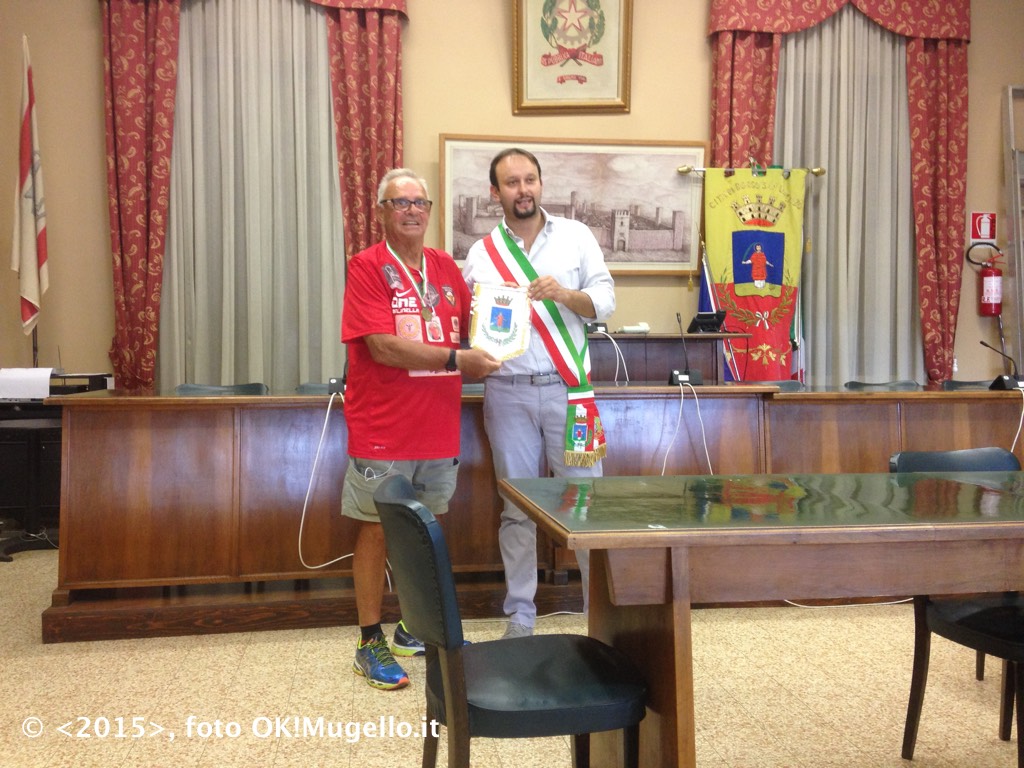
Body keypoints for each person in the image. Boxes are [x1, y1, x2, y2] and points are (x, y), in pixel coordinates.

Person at [341, 168, 501, 689]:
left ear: (429, 211)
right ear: (382, 211)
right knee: (376, 531)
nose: (412, 210)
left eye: (419, 202)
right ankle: (370, 640)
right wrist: (459, 357)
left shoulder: (446, 271)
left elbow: (484, 325)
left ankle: (413, 627)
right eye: (400, 202)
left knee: (427, 530)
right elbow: (381, 347)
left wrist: (517, 309)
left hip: (437, 427)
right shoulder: (366, 267)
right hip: (383, 427)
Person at [462, 148, 615, 639]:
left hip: (571, 394)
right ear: (496, 192)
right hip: (508, 395)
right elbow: (469, 324)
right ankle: (521, 617)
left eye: (530, 180)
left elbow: (606, 300)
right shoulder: (481, 253)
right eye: (511, 182)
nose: (522, 189)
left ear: (541, 184)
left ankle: (602, 616)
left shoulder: (576, 236)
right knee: (517, 508)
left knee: (589, 507)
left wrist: (565, 295)